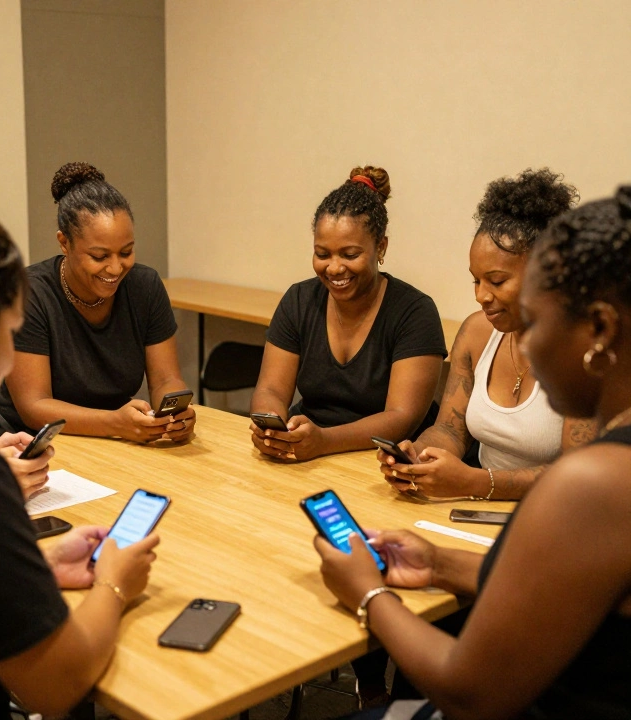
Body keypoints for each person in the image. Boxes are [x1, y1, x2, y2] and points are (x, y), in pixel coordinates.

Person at [317, 186, 631, 720]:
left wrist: (369, 595)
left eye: (539, 319)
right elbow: (564, 584)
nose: (525, 346)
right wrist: (437, 562)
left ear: (599, 329)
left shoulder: (594, 481)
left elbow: (469, 694)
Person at [0, 193, 160, 719]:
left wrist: (40, 569)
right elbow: (57, 684)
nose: (9, 355)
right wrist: (117, 581)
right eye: (7, 333)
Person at [380, 169, 596, 499]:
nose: (481, 295)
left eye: (496, 281)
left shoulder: (585, 351)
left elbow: (576, 472)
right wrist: (418, 457)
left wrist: (476, 482)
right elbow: (450, 429)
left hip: (555, 516)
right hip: (476, 508)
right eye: (475, 280)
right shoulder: (477, 332)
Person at [0, 161, 195, 444]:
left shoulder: (144, 286)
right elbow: (34, 407)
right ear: (64, 243)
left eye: (126, 252)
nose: (115, 268)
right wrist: (115, 423)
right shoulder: (28, 293)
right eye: (99, 256)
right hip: (32, 443)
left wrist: (174, 412)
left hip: (114, 438)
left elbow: (164, 380)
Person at [251, 166, 447, 462]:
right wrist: (273, 427)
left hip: (386, 462)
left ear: (381, 247)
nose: (334, 268)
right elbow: (271, 389)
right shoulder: (298, 300)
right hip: (309, 451)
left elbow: (401, 417)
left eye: (350, 254)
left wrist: (323, 441)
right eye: (322, 253)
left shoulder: (414, 312)